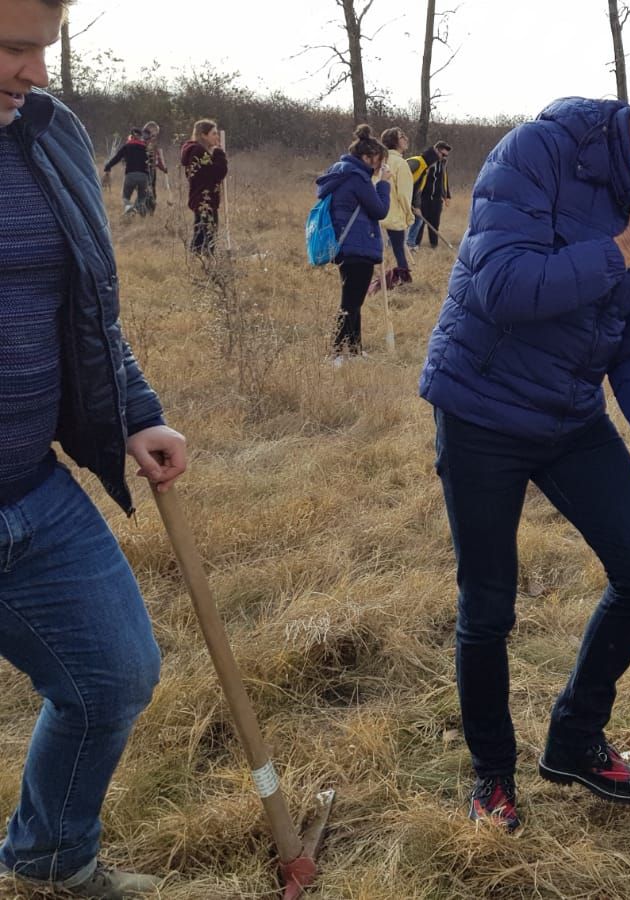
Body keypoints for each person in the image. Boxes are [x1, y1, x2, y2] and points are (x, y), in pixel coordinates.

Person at [418, 71, 630, 828]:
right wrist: (626, 246)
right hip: (483, 406)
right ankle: (492, 776)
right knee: (489, 607)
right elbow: (504, 286)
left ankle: (573, 739)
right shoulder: (537, 153)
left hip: (569, 413)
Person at [2, 0, 190, 894]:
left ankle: (50, 856)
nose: (34, 71)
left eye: (41, 49)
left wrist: (135, 411)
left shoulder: (50, 133)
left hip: (29, 488)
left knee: (112, 674)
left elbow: (91, 306)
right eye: (11, 48)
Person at [314, 124, 391, 360]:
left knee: (354, 299)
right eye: (378, 161)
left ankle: (355, 351)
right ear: (367, 157)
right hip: (357, 245)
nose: (380, 167)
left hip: (346, 244)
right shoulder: (358, 178)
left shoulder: (341, 172)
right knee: (351, 302)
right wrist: (384, 184)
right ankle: (336, 353)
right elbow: (380, 210)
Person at [376, 126, 415, 288]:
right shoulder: (400, 164)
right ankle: (404, 281)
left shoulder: (378, 161)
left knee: (377, 252)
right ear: (394, 141)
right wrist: (409, 215)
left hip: (376, 213)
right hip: (394, 216)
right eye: (402, 136)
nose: (406, 138)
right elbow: (404, 195)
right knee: (399, 250)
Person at [180, 118, 226, 255]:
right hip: (205, 199)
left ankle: (197, 262)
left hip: (201, 198)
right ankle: (207, 265)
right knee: (209, 234)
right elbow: (218, 172)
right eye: (214, 133)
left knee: (200, 234)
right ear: (203, 135)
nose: (217, 137)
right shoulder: (199, 151)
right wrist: (219, 153)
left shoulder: (197, 151)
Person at [406, 139, 451, 249]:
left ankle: (433, 245)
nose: (444, 157)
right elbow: (418, 179)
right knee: (419, 221)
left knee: (434, 223)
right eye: (443, 154)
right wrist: (415, 200)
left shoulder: (443, 164)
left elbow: (444, 179)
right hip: (423, 197)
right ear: (436, 150)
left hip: (436, 198)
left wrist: (446, 196)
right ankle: (414, 244)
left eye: (446, 156)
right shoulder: (425, 162)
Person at [102, 127, 152, 216]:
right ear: (140, 136)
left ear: (131, 136)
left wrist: (108, 166)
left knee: (126, 198)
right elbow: (150, 162)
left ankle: (129, 208)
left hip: (130, 175)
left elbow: (117, 158)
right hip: (143, 176)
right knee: (141, 199)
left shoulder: (127, 146)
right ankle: (141, 212)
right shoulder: (146, 148)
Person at [141, 121, 166, 206]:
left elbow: (156, 157)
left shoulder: (151, 141)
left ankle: (149, 208)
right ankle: (147, 207)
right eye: (155, 132)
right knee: (148, 189)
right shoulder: (143, 140)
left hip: (151, 168)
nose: (156, 135)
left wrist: (163, 168)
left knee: (150, 188)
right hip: (145, 168)